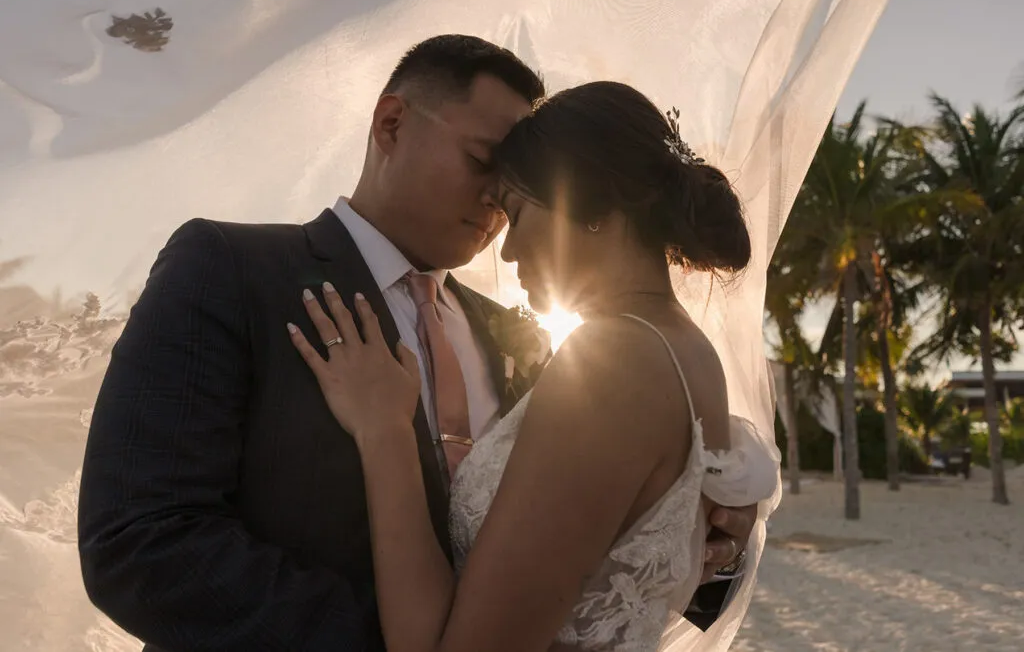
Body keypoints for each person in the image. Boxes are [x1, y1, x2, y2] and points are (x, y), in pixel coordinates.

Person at [78, 35, 762, 652]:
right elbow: (137, 540)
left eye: (515, 193)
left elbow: (598, 574)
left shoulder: (530, 340)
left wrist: (705, 541)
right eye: (483, 163)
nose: (497, 210)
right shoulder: (229, 269)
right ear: (392, 123)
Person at [288, 79, 779, 651]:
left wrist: (384, 430)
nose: (508, 249)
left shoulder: (614, 364)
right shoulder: (688, 350)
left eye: (518, 214)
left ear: (594, 208)